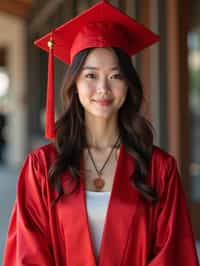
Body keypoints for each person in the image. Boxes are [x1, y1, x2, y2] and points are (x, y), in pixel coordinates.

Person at [3, 1, 199, 265]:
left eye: (116, 76)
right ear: (74, 83)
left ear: (129, 85)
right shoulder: (42, 167)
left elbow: (173, 253)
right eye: (91, 75)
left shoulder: (158, 169)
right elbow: (28, 253)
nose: (103, 88)